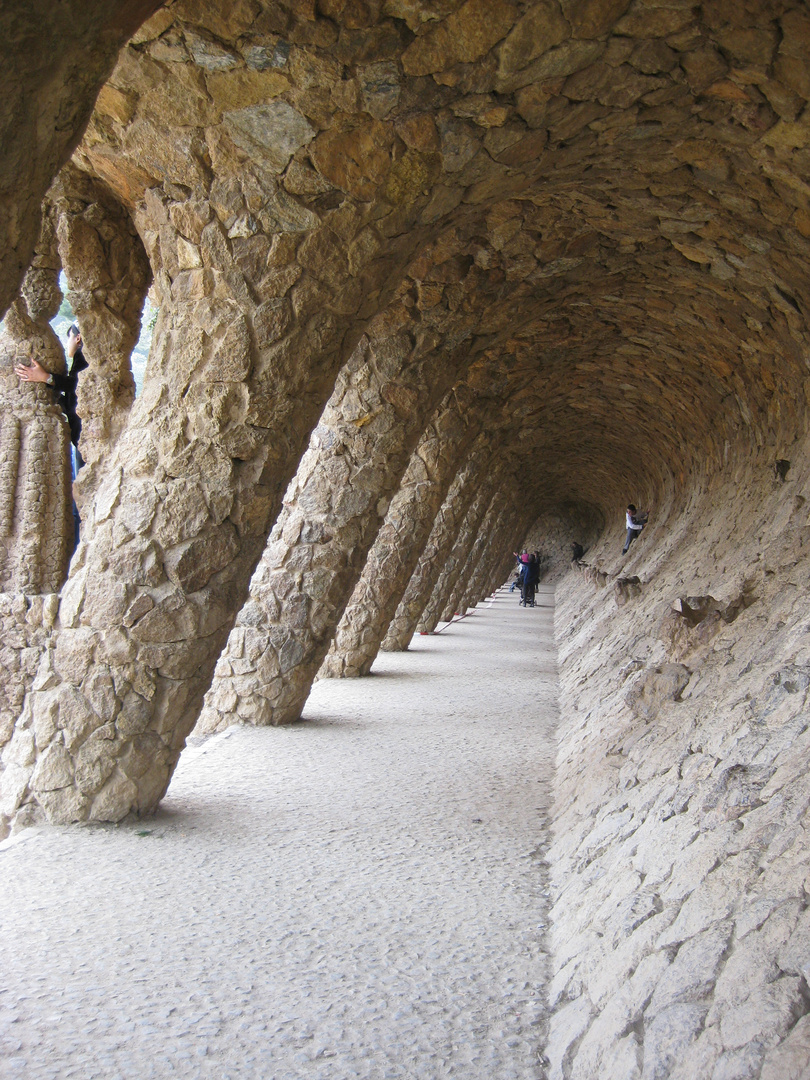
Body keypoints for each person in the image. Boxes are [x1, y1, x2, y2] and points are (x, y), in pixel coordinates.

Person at [15, 324, 88, 466]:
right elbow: (73, 399)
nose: (67, 344)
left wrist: (46, 377)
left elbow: (78, 385)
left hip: (85, 434)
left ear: (78, 338)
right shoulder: (81, 358)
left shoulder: (83, 355)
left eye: (69, 338)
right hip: (82, 435)